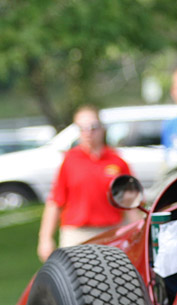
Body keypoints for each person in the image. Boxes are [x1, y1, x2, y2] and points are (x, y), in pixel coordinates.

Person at [37, 106, 134, 261]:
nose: (88, 133)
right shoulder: (70, 160)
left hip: (111, 232)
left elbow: (130, 203)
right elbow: (55, 201)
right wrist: (45, 238)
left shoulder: (117, 161)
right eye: (82, 128)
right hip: (77, 233)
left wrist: (139, 234)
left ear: (102, 129)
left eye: (93, 128)